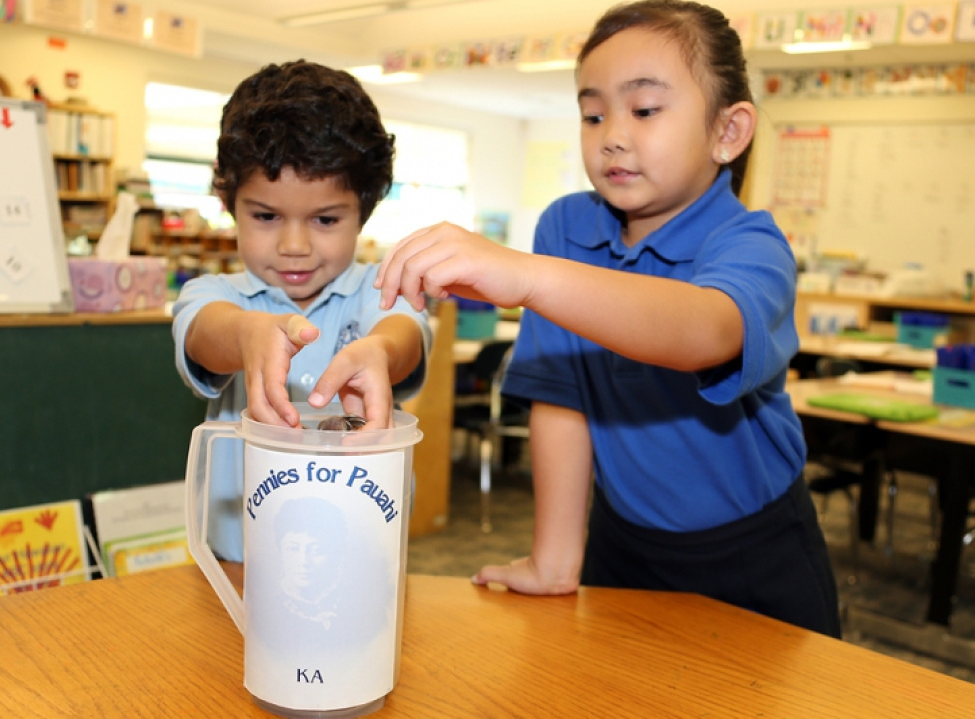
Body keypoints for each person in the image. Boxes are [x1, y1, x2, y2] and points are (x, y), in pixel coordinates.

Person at [376, 0, 841, 637]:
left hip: (753, 551)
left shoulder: (750, 242)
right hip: (621, 540)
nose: (612, 135)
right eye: (593, 114)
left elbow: (705, 330)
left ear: (728, 132)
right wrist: (554, 558)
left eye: (644, 110)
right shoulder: (567, 228)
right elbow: (561, 393)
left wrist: (531, 277)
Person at [173, 60, 430, 562]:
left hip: (360, 561)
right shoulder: (213, 294)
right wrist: (247, 334)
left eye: (325, 219)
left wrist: (380, 351)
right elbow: (205, 334)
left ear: (365, 210)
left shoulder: (382, 289)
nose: (294, 246)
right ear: (228, 202)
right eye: (266, 216)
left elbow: (402, 335)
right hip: (238, 563)